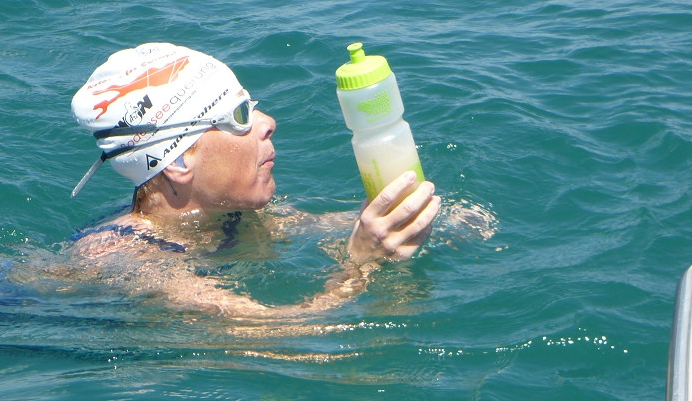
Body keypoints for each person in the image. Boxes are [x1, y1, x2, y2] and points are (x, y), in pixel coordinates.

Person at [67, 42, 441, 319]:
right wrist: (360, 266)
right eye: (241, 115)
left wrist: (430, 220)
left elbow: (326, 228)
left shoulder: (230, 213)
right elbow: (283, 332)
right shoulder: (131, 261)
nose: (267, 122)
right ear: (179, 159)